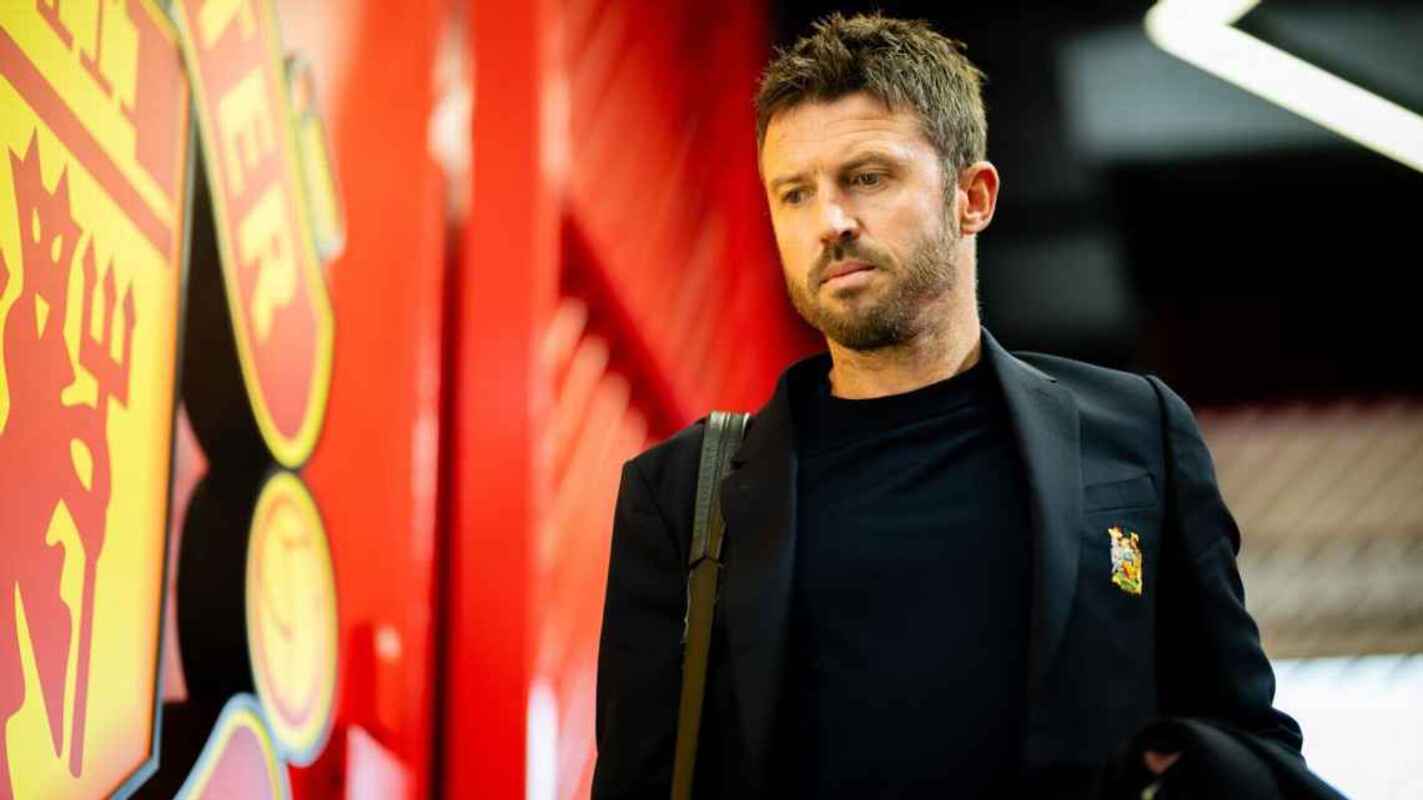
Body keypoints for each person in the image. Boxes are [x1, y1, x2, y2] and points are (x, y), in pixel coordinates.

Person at [593, 13, 1320, 799]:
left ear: (972, 197)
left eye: (867, 177)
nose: (829, 223)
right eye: (794, 194)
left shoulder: (1134, 432)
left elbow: (1246, 734)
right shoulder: (683, 496)